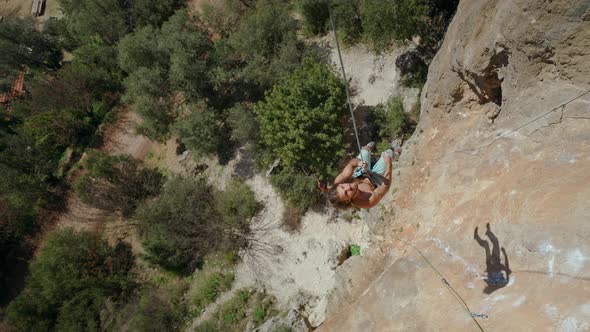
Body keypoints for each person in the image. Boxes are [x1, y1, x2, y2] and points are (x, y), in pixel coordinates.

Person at [328, 142, 401, 209]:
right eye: (346, 193)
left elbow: (351, 164)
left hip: (360, 174)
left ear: (341, 184)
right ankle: (396, 154)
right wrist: (389, 164)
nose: (348, 187)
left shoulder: (340, 180)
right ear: (347, 201)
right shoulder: (366, 201)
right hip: (375, 181)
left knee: (365, 152)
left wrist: (359, 163)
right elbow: (385, 187)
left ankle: (367, 148)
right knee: (388, 154)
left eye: (343, 186)